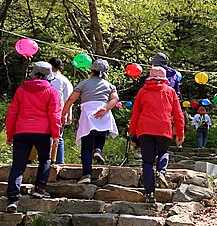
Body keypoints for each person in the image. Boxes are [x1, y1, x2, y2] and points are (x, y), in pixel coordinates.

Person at [4, 61, 62, 212]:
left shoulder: (21, 90)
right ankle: (40, 189)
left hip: (21, 131)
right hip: (43, 131)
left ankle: (12, 199)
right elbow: (54, 114)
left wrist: (10, 133)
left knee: (17, 166)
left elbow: (12, 112)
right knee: (45, 160)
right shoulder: (51, 91)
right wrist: (56, 135)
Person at [130, 66, 184, 203]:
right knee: (163, 152)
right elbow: (178, 114)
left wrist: (133, 134)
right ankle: (161, 172)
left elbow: (135, 114)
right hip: (163, 128)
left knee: (147, 162)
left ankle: (150, 194)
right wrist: (179, 132)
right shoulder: (170, 92)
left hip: (144, 129)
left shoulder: (142, 92)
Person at [62, 59, 118, 183]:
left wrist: (64, 113)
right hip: (103, 113)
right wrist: (106, 108)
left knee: (86, 147)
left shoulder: (83, 84)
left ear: (92, 72)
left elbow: (71, 99)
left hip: (88, 113)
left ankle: (86, 174)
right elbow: (115, 98)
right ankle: (98, 150)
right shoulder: (109, 85)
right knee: (101, 135)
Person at [48, 57, 73, 164]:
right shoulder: (64, 80)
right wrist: (69, 114)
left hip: (44, 111)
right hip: (60, 112)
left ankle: (45, 160)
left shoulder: (45, 78)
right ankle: (59, 162)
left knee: (43, 136)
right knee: (58, 136)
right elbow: (69, 99)